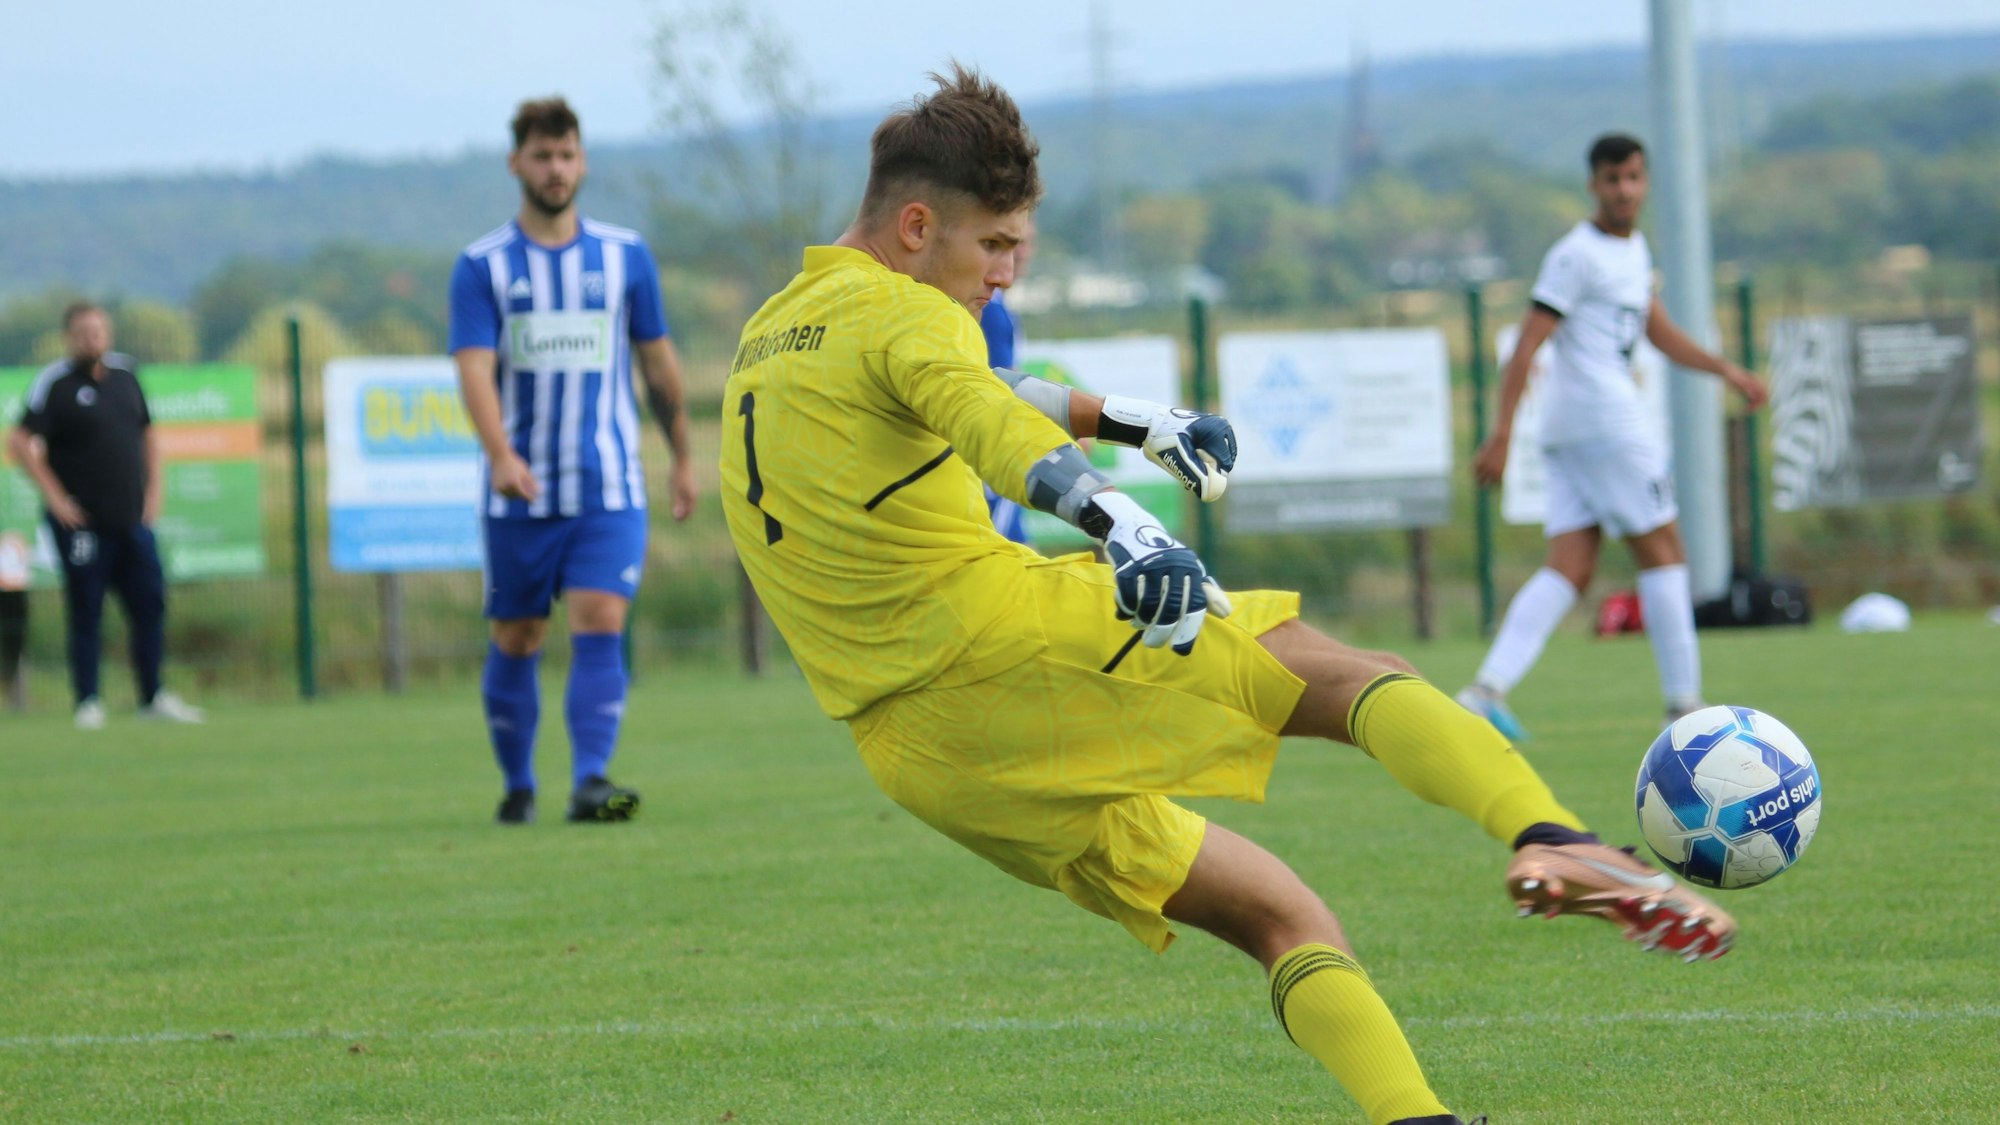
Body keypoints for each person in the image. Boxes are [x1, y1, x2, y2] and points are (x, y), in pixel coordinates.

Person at [719, 68, 1736, 1125]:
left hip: (918, 754)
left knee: (1281, 917)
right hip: (995, 644)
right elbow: (988, 421)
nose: (1008, 274)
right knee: (1351, 675)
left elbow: (970, 388)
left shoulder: (783, 327)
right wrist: (1125, 524)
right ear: (917, 226)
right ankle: (1551, 833)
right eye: (995, 245)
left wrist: (1136, 421)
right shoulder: (903, 311)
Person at [1459, 133, 1768, 740]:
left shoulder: (1633, 249)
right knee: (1665, 549)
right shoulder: (1576, 254)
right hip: (1607, 423)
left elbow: (1657, 330)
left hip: (1572, 431)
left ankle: (1484, 692)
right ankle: (1684, 706)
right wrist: (1500, 434)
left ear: (1645, 181)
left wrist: (1725, 370)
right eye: (1612, 179)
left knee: (1570, 567)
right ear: (1593, 185)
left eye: (1633, 178)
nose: (1624, 190)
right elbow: (1527, 344)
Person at [448, 96, 698, 826]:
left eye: (566, 155)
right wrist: (499, 455)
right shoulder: (483, 266)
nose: (555, 169)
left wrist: (683, 456)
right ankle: (518, 785)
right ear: (516, 163)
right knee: (518, 635)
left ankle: (591, 781)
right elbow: (473, 368)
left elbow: (658, 364)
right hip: (519, 492)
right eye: (542, 156)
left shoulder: (625, 256)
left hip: (607, 485)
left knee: (601, 617)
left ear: (582, 162)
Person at [4, 303, 204, 729]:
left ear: (107, 333)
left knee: (149, 604)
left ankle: (152, 696)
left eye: (97, 331)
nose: (91, 339)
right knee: (87, 609)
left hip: (132, 519)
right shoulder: (55, 384)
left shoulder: (127, 376)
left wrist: (155, 491)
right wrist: (57, 498)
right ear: (69, 338)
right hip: (82, 525)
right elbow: (18, 442)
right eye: (82, 333)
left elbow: (148, 434)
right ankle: (88, 701)